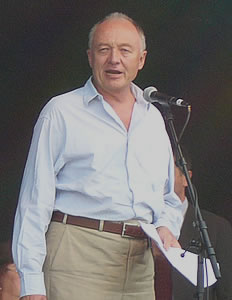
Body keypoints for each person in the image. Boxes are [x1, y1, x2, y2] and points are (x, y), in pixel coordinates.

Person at [12, 12, 183, 300]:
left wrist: (166, 226)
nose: (114, 59)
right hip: (77, 255)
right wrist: (30, 283)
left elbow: (169, 196)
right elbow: (33, 201)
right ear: (90, 57)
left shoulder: (154, 117)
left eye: (125, 50)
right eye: (104, 49)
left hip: (140, 266)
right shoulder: (62, 111)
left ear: (140, 60)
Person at [156, 147, 232, 300]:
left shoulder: (216, 227)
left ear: (186, 178)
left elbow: (226, 291)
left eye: (166, 169)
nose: (158, 177)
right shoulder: (136, 223)